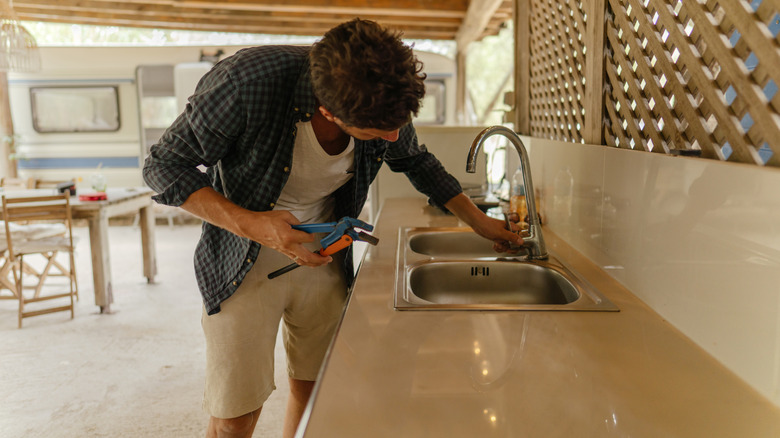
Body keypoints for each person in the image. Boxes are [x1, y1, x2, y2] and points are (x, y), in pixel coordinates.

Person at [143, 18, 522, 438]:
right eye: (379, 131)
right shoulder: (244, 81)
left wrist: (481, 222)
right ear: (328, 111)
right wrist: (255, 225)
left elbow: (414, 159)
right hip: (240, 258)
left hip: (325, 256)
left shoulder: (380, 95)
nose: (394, 136)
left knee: (318, 391)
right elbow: (162, 167)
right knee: (236, 414)